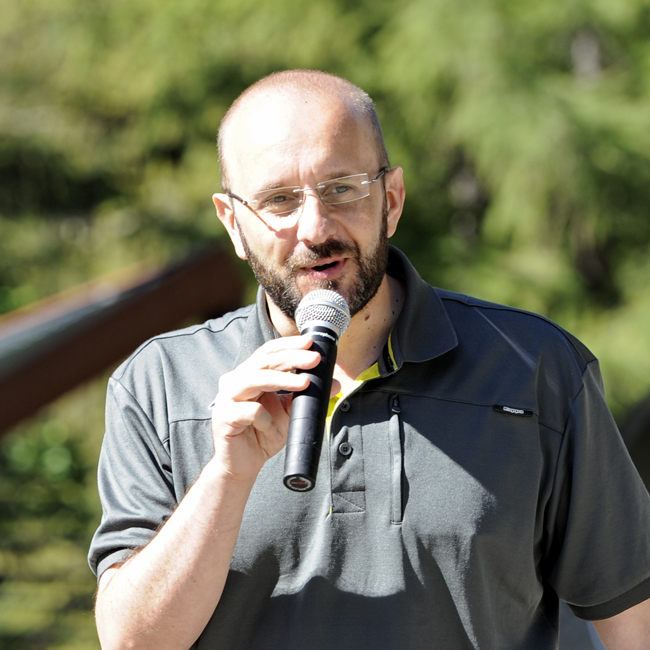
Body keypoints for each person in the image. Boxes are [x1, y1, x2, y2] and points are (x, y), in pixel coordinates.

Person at [88, 70, 650, 650]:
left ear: (393, 199)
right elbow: (132, 643)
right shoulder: (158, 384)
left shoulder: (536, 369)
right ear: (234, 223)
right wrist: (227, 475)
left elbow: (637, 624)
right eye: (279, 200)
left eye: (342, 189)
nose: (315, 229)